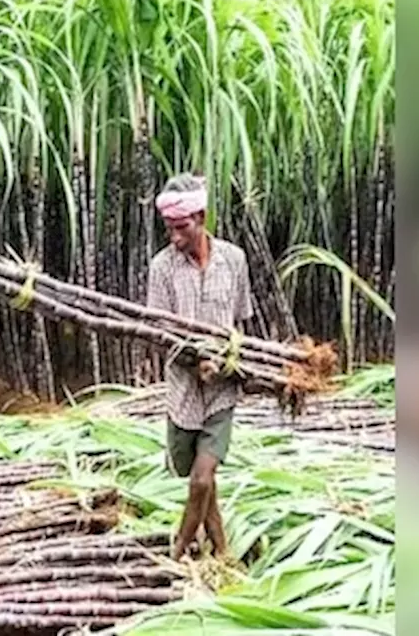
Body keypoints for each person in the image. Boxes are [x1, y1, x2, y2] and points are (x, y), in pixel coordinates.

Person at [146, 173, 253, 561]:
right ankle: (221, 552)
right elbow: (160, 334)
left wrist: (232, 366)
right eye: (169, 229)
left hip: (222, 392)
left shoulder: (234, 260)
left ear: (202, 217)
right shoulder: (162, 268)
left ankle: (178, 549)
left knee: (203, 477)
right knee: (200, 484)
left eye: (182, 227)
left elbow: (241, 321)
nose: (174, 237)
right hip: (183, 394)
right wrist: (196, 363)